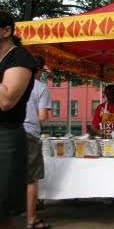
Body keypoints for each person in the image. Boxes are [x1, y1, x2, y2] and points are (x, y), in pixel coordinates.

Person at [0, 10, 37, 229]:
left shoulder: (20, 57)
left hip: (5, 134)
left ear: (6, 31)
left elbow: (6, 100)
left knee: (3, 209)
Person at [23, 56, 52, 229]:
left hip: (7, 132)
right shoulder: (40, 87)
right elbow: (42, 117)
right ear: (39, 70)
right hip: (29, 135)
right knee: (31, 179)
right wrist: (36, 123)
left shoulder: (9, 81)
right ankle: (31, 220)